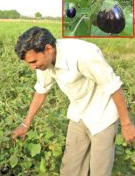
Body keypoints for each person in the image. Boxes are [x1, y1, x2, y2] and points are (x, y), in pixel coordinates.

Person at [11, 26, 135, 176]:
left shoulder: (83, 55)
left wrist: (126, 124)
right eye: (29, 63)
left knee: (99, 171)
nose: (32, 67)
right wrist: (25, 123)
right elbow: (41, 91)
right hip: (79, 113)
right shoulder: (44, 63)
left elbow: (114, 86)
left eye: (33, 61)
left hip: (103, 116)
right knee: (70, 168)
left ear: (48, 48)